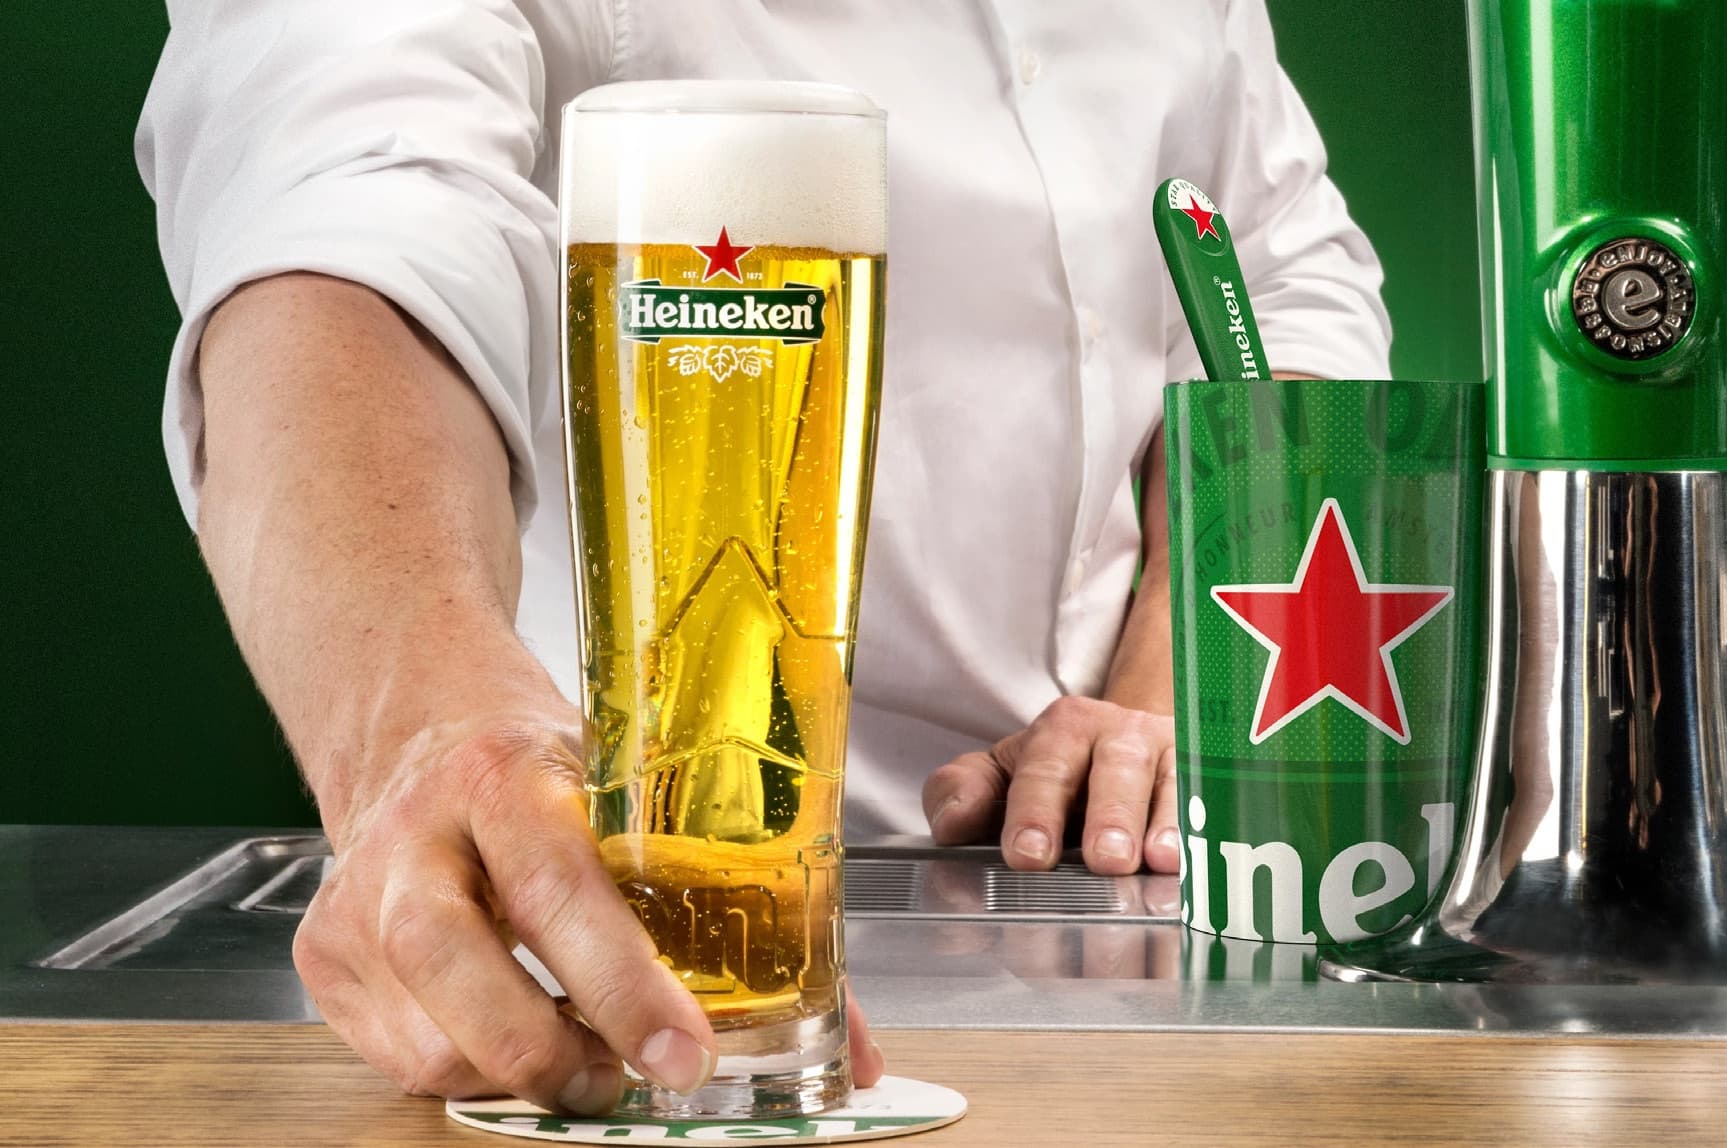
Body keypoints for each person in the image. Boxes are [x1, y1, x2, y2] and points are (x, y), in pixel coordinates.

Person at [137, 0, 1388, 1118]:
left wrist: (1174, 684)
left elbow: (1273, 279)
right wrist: (421, 727)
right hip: (605, 930)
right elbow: (340, 224)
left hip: (1092, 904)